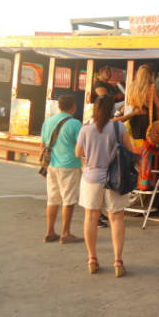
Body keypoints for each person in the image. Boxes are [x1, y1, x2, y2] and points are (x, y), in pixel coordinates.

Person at [76, 95, 136, 277]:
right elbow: (130, 151)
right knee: (116, 218)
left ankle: (92, 259)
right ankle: (118, 261)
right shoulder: (119, 127)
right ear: (112, 109)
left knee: (91, 217)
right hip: (115, 179)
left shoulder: (86, 128)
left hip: (91, 178)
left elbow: (78, 152)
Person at [41, 95, 84, 244]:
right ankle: (66, 233)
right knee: (68, 200)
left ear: (59, 106)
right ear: (73, 107)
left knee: (52, 199)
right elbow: (81, 147)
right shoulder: (75, 124)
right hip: (70, 166)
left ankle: (50, 231)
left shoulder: (48, 122)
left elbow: (43, 146)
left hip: (52, 165)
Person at [126, 64, 159, 140]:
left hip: (134, 119)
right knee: (149, 141)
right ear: (149, 75)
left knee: (138, 142)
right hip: (147, 120)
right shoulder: (151, 87)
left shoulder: (132, 87)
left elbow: (128, 104)